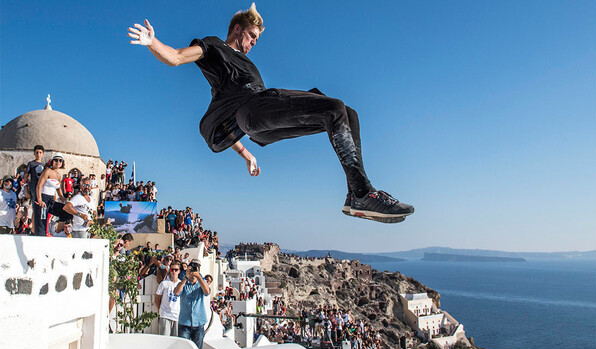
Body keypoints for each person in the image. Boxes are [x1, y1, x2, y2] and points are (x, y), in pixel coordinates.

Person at [127, 3, 414, 223]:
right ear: (237, 29)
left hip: (260, 129)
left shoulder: (235, 75)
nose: (253, 43)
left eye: (257, 39)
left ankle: (356, 193)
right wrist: (152, 42)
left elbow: (230, 127)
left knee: (345, 114)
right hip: (256, 109)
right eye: (251, 36)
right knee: (336, 107)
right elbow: (176, 57)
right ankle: (363, 194)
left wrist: (247, 155)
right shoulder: (215, 47)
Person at [174, 259, 211, 349]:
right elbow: (176, 292)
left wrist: (198, 277)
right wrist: (186, 277)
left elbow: (206, 292)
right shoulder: (184, 283)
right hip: (184, 322)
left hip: (199, 322)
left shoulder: (201, 284)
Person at [35, 153, 72, 236]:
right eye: (56, 160)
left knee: (66, 212)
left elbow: (58, 188)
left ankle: (58, 231)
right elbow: (39, 185)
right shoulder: (47, 171)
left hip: (51, 200)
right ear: (52, 161)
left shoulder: (59, 175)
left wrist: (62, 198)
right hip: (44, 198)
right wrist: (39, 199)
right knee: (42, 225)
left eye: (60, 160)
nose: (58, 162)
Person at [155, 260, 182, 336]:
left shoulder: (181, 284)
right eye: (172, 269)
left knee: (176, 341)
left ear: (179, 271)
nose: (173, 271)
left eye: (176, 270)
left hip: (177, 316)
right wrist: (161, 310)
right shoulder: (164, 283)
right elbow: (157, 299)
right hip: (165, 315)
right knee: (165, 339)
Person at [24, 145, 45, 234]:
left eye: (40, 152)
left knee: (40, 207)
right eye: (36, 152)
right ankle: (32, 227)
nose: (38, 154)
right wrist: (26, 186)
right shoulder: (31, 164)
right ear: (34, 153)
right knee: (35, 206)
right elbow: (26, 175)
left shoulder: (44, 165)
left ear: (42, 154)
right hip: (34, 187)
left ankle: (36, 226)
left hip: (42, 188)